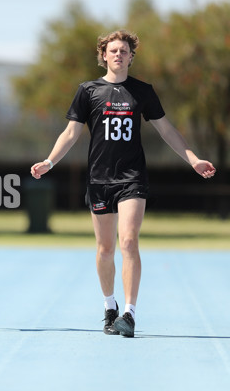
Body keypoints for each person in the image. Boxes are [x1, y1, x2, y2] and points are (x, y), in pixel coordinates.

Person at [30, 30, 216, 337]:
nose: (118, 54)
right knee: (105, 249)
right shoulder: (88, 91)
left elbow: (167, 130)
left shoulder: (142, 91)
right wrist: (50, 161)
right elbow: (70, 133)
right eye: (113, 50)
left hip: (132, 177)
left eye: (124, 50)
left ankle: (129, 314)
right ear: (104, 55)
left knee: (128, 241)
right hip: (100, 178)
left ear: (131, 56)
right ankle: (109, 307)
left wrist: (193, 158)